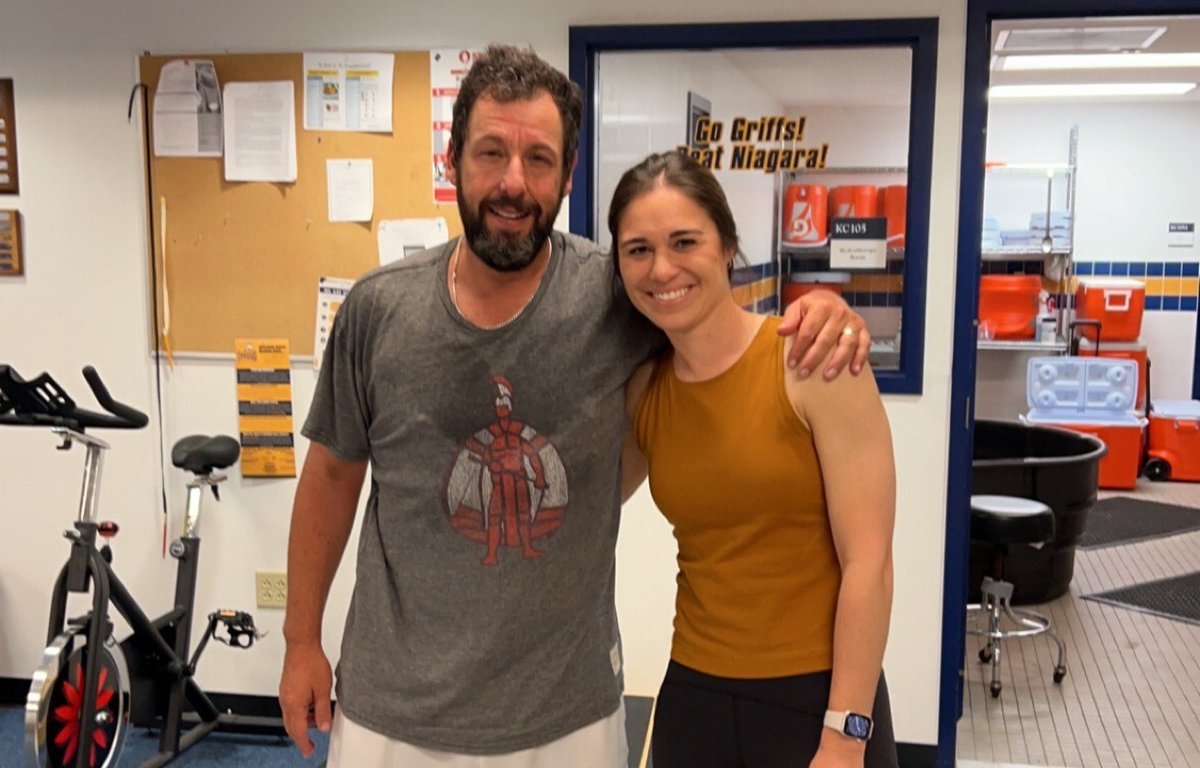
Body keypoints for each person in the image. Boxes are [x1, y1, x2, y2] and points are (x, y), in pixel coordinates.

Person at [278, 44, 872, 767]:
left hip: (567, 717)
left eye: (538, 159)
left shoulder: (616, 298)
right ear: (452, 159)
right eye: (491, 153)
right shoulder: (377, 312)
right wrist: (301, 641)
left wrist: (825, 312)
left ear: (567, 174)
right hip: (392, 714)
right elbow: (331, 476)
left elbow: (712, 327)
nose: (513, 182)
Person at [612, 150, 898, 768]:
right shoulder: (645, 391)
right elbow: (579, 505)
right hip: (696, 700)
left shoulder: (812, 361)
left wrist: (846, 734)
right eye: (638, 250)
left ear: (726, 247)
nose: (661, 268)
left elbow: (869, 564)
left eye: (684, 241)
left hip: (818, 702)